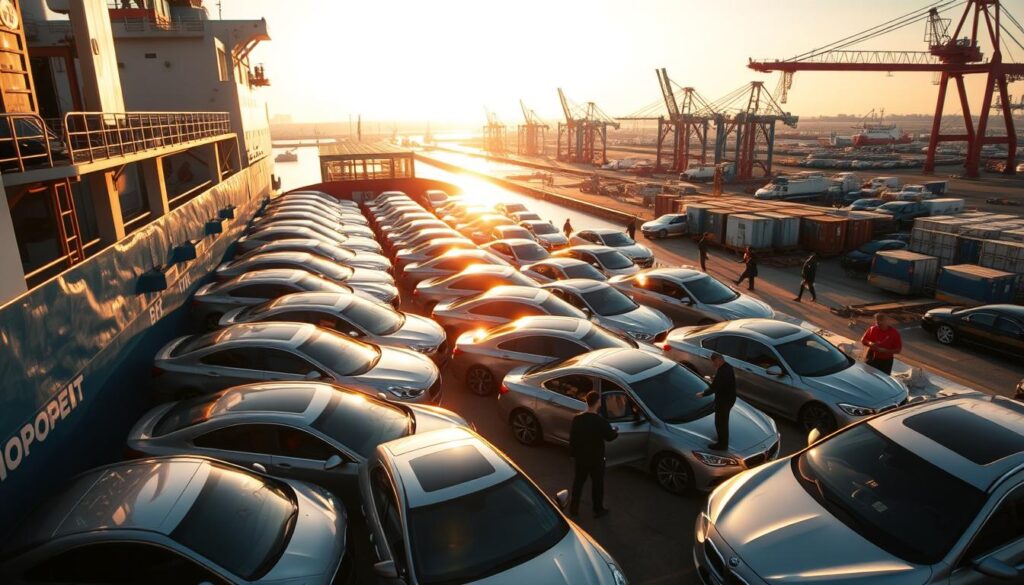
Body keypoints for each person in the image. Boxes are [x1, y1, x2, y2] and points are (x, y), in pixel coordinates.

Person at [569, 392, 617, 518]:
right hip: (596, 459)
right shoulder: (600, 421)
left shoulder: (577, 419)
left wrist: (573, 455)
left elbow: (572, 439)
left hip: (581, 458)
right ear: (598, 402)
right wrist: (616, 431)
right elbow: (610, 437)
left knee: (578, 482)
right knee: (597, 484)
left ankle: (574, 507)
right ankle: (598, 509)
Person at [697, 353, 735, 450]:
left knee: (720, 422)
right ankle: (723, 440)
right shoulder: (728, 367)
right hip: (729, 399)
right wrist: (715, 378)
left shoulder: (722, 371)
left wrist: (703, 394)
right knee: (723, 421)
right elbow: (723, 382)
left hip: (724, 401)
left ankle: (722, 444)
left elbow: (715, 387)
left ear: (718, 360)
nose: (713, 365)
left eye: (714, 362)